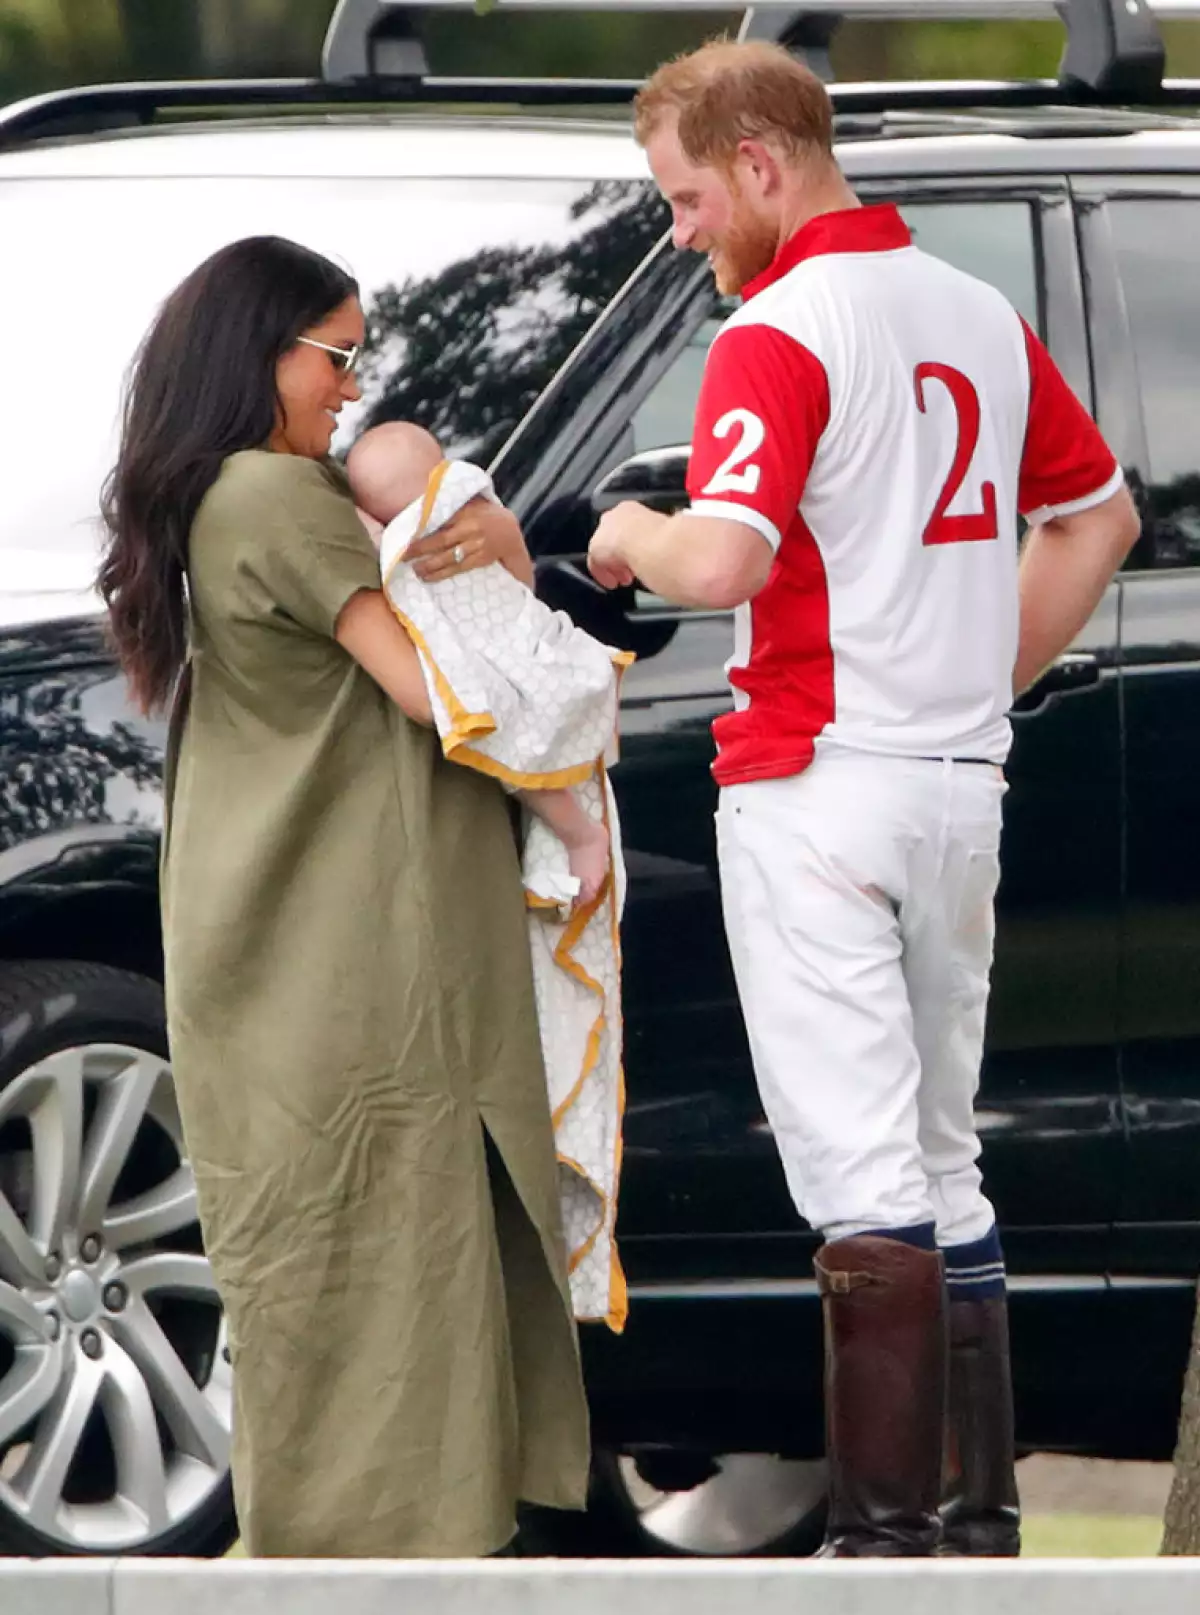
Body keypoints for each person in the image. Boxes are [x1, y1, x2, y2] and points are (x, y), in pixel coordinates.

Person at [587, 40, 1140, 1559]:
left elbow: (730, 558)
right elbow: (1100, 518)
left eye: (692, 197)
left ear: (761, 164)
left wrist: (634, 528)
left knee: (859, 1169)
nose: (685, 229)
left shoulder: (778, 330)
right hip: (959, 781)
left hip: (817, 781)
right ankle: (973, 1524)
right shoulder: (978, 310)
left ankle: (888, 1539)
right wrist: (984, 669)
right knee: (944, 1152)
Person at [98, 234, 591, 1558]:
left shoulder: (216, 497)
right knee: (394, 1251)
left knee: (328, 1261)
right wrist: (493, 562)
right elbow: (445, 690)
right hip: (351, 943)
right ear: (261, 352)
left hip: (279, 942)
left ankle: (348, 1545)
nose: (350, 387)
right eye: (337, 355)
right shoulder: (276, 496)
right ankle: (394, 1552)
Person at [346, 419, 611, 908]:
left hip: (517, 663)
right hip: (527, 660)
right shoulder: (476, 506)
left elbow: (513, 595)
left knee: (517, 744)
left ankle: (579, 835)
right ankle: (574, 839)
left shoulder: (438, 527)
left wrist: (360, 519)